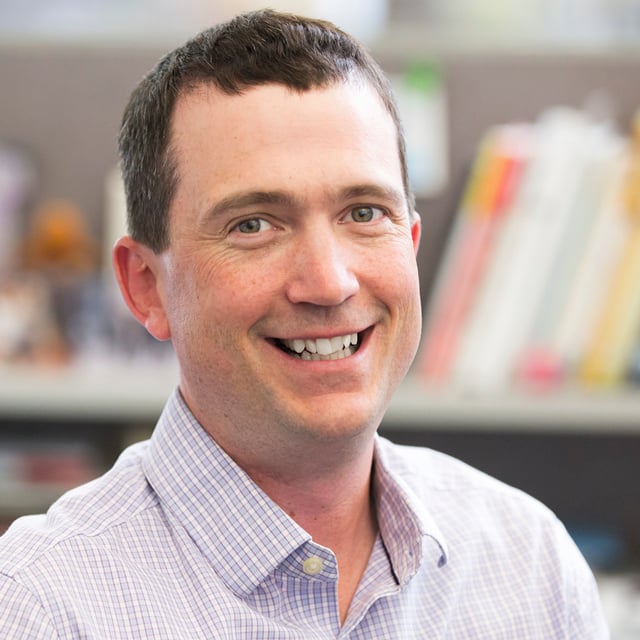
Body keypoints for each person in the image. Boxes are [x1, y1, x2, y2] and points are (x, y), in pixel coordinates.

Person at [0, 9, 608, 639]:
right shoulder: (41, 610)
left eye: (365, 212)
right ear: (145, 286)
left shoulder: (531, 568)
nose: (330, 282)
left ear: (412, 242)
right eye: (255, 224)